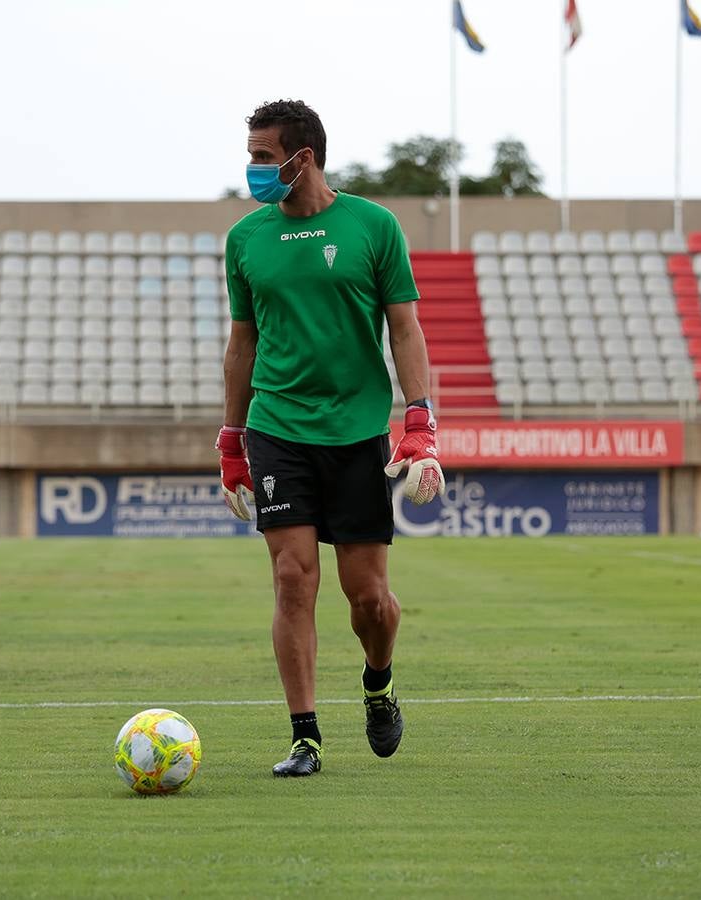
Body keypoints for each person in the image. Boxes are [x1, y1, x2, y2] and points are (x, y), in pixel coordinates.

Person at [216, 99, 445, 778]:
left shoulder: (374, 226)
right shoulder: (245, 239)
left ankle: (378, 679)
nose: (252, 168)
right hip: (277, 427)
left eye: (262, 156)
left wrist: (419, 422)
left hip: (355, 432)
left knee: (368, 597)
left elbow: (403, 328)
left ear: (301, 157)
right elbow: (241, 342)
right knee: (291, 579)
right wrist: (232, 440)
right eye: (251, 154)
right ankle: (304, 737)